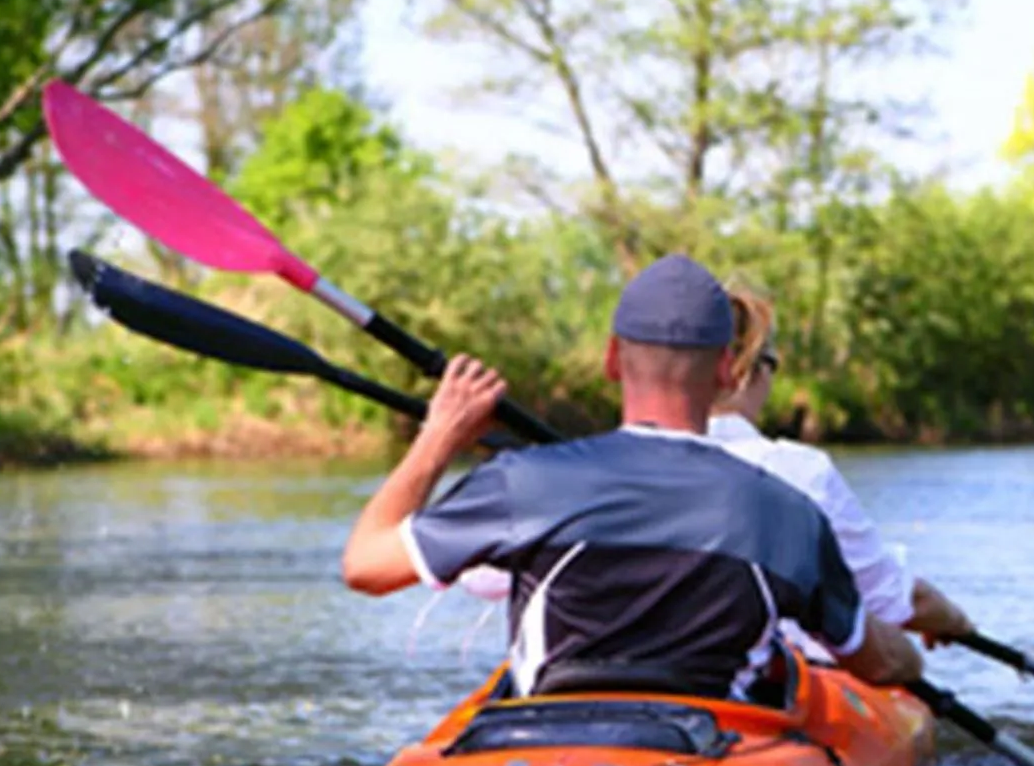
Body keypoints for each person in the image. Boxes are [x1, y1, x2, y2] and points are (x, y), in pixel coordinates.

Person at [339, 254, 923, 700]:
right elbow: (879, 662)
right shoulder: (784, 511)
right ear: (727, 369)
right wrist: (913, 659)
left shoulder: (525, 481)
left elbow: (364, 565)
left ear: (612, 359)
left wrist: (440, 436)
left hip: (542, 753)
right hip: (709, 753)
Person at [709, 288, 975, 649]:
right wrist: (956, 621)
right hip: (780, 674)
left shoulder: (638, 464)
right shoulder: (798, 470)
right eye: (772, 363)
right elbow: (891, 597)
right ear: (744, 370)